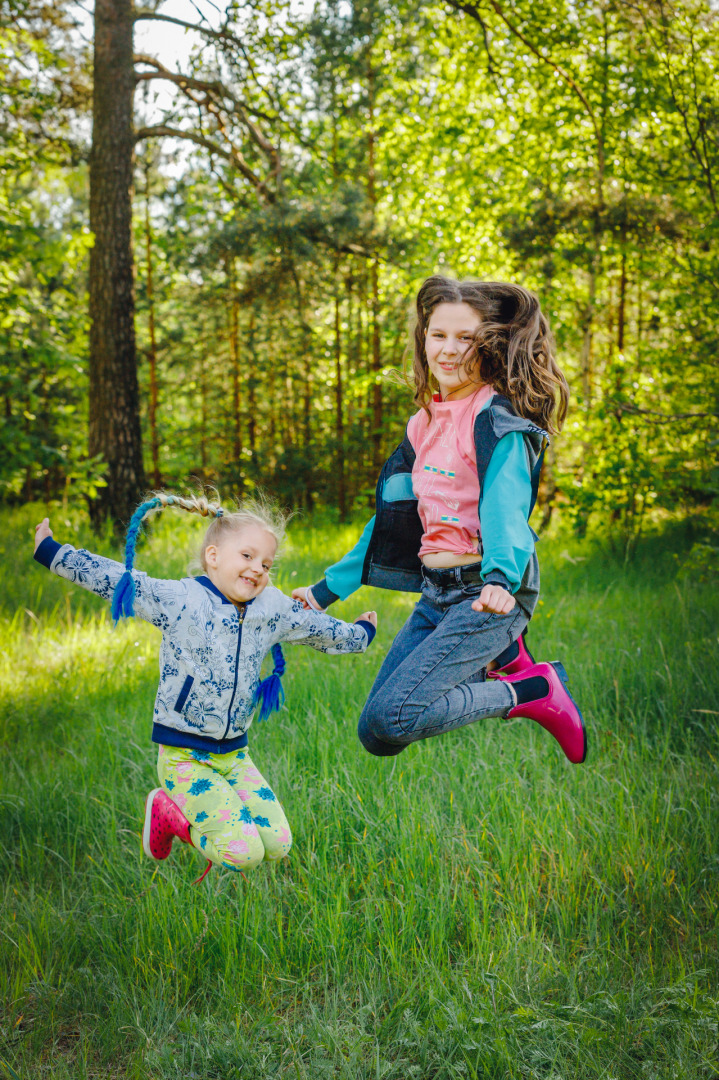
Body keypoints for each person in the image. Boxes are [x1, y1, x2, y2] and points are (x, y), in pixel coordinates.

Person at [293, 276, 586, 764]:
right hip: (438, 591)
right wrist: (325, 592)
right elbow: (391, 520)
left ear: (489, 344)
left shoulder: (496, 419)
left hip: (487, 594)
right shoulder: (423, 422)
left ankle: (532, 690)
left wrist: (501, 579)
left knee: (396, 716)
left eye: (465, 339)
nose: (448, 351)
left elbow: (505, 508)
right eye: (438, 335)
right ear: (423, 338)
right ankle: (509, 659)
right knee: (376, 733)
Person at [33, 493, 377, 883]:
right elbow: (118, 580)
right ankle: (169, 813)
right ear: (213, 556)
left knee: (278, 845)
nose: (257, 569)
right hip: (184, 756)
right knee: (244, 854)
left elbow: (317, 628)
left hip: (234, 756)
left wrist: (361, 633)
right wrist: (51, 552)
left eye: (266, 563)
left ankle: (217, 817)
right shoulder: (182, 600)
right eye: (246, 556)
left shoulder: (270, 607)